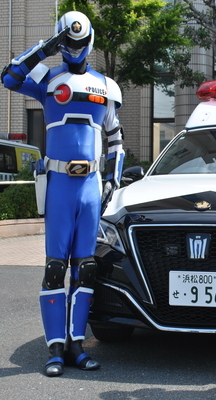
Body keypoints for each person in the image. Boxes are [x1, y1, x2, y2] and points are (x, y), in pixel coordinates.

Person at [1, 11, 124, 376]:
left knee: (85, 268)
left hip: (90, 186)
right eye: (66, 42)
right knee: (55, 268)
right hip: (58, 183)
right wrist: (44, 49)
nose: (73, 48)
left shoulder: (105, 86)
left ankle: (76, 346)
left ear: (89, 41)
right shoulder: (46, 77)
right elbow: (9, 77)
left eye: (76, 42)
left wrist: (113, 180)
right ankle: (55, 349)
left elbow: (115, 139)